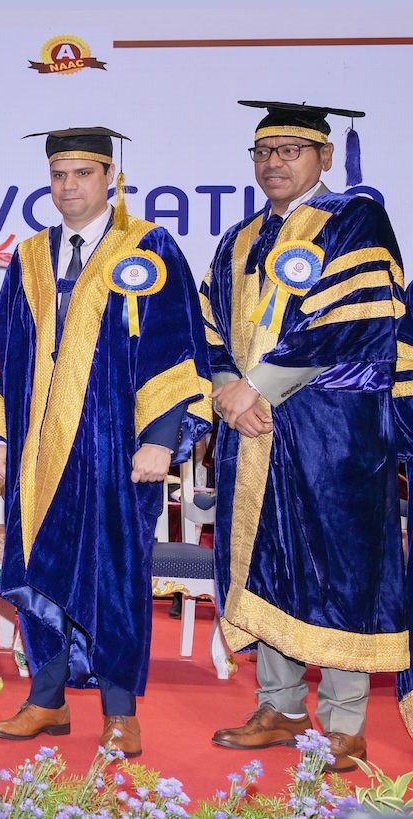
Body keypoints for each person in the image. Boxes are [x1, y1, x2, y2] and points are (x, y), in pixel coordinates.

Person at [0, 128, 211, 758]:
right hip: (38, 450)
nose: (69, 186)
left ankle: (119, 709)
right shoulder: (28, 255)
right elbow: (2, 355)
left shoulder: (149, 247)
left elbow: (175, 345)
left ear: (111, 176)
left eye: (82, 173)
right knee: (38, 567)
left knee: (113, 574)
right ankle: (46, 699)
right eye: (59, 175)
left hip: (115, 449)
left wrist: (161, 439)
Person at [202, 101, 412, 771]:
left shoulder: (355, 219)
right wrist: (226, 392)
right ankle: (282, 704)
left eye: (291, 150)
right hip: (254, 430)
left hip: (336, 432)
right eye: (264, 152)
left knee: (342, 565)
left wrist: (256, 384)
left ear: (324, 156)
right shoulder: (238, 238)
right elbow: (206, 326)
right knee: (269, 560)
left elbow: (350, 322)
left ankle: (344, 720)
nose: (274, 163)